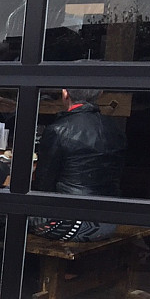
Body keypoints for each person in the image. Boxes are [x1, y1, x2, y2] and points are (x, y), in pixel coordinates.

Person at [29, 88, 125, 242]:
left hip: (72, 223)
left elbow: (43, 187)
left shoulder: (58, 130)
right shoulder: (115, 128)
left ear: (65, 93)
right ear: (100, 94)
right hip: (110, 220)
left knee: (6, 211)